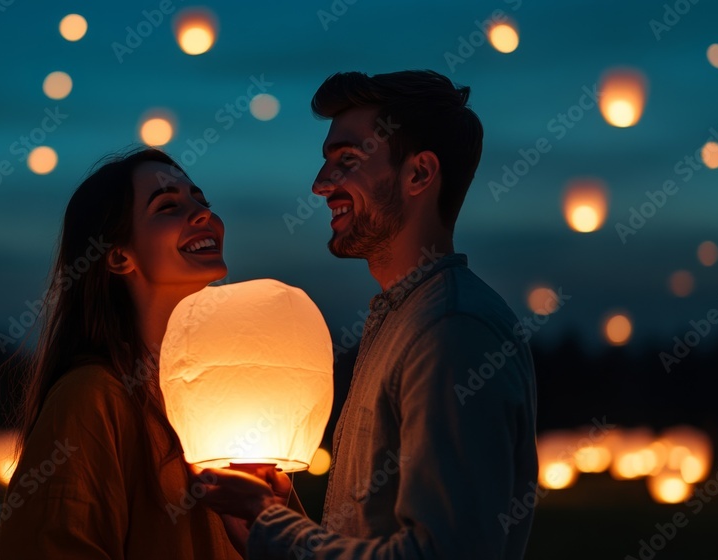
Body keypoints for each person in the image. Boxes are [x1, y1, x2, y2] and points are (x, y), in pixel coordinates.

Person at [195, 70, 539, 559]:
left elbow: (443, 552)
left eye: (347, 161)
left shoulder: (452, 330)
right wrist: (275, 519)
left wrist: (272, 527)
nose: (319, 185)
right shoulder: (403, 319)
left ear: (419, 174)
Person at [0, 147, 241, 559]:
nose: (201, 214)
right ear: (120, 256)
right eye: (168, 206)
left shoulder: (230, 399)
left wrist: (269, 521)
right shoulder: (91, 398)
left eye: (201, 200)